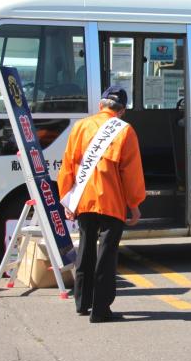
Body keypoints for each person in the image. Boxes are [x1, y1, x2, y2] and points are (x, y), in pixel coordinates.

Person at [58, 86, 146, 323]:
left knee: (85, 249)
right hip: (111, 201)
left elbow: (68, 165)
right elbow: (132, 172)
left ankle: (82, 302)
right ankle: (101, 309)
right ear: (122, 111)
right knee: (106, 255)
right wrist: (134, 203)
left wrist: (68, 198)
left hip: (84, 200)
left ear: (101, 105)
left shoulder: (80, 127)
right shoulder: (125, 131)